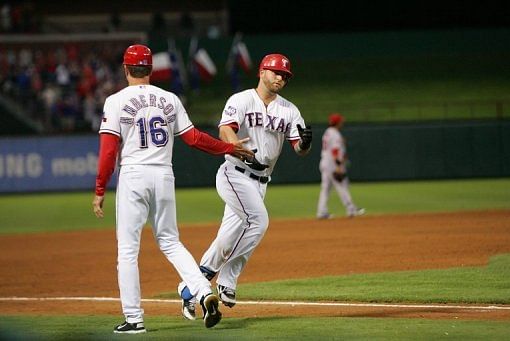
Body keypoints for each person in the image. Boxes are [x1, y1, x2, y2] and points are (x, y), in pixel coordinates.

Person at [91, 44, 254, 334]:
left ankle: (134, 319)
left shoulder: (115, 101)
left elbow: (107, 152)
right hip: (164, 175)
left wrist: (100, 187)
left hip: (134, 174)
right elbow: (194, 139)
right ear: (151, 70)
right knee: (170, 241)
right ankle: (203, 292)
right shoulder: (170, 99)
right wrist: (229, 147)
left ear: (126, 69)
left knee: (128, 250)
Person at [177, 53, 313, 319]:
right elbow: (226, 129)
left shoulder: (289, 110)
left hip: (261, 183)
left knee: (225, 243)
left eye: (285, 76)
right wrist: (234, 145)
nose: (280, 78)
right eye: (275, 72)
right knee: (259, 221)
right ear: (261, 71)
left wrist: (305, 145)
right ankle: (227, 280)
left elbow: (298, 148)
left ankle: (187, 291)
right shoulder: (240, 100)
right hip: (234, 174)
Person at [316, 113, 365, 219]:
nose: (342, 123)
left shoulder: (327, 132)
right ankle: (351, 209)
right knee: (342, 186)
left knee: (326, 189)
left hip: (325, 162)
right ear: (337, 122)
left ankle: (321, 211)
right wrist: (338, 165)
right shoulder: (335, 134)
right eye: (341, 121)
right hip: (332, 164)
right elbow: (335, 150)